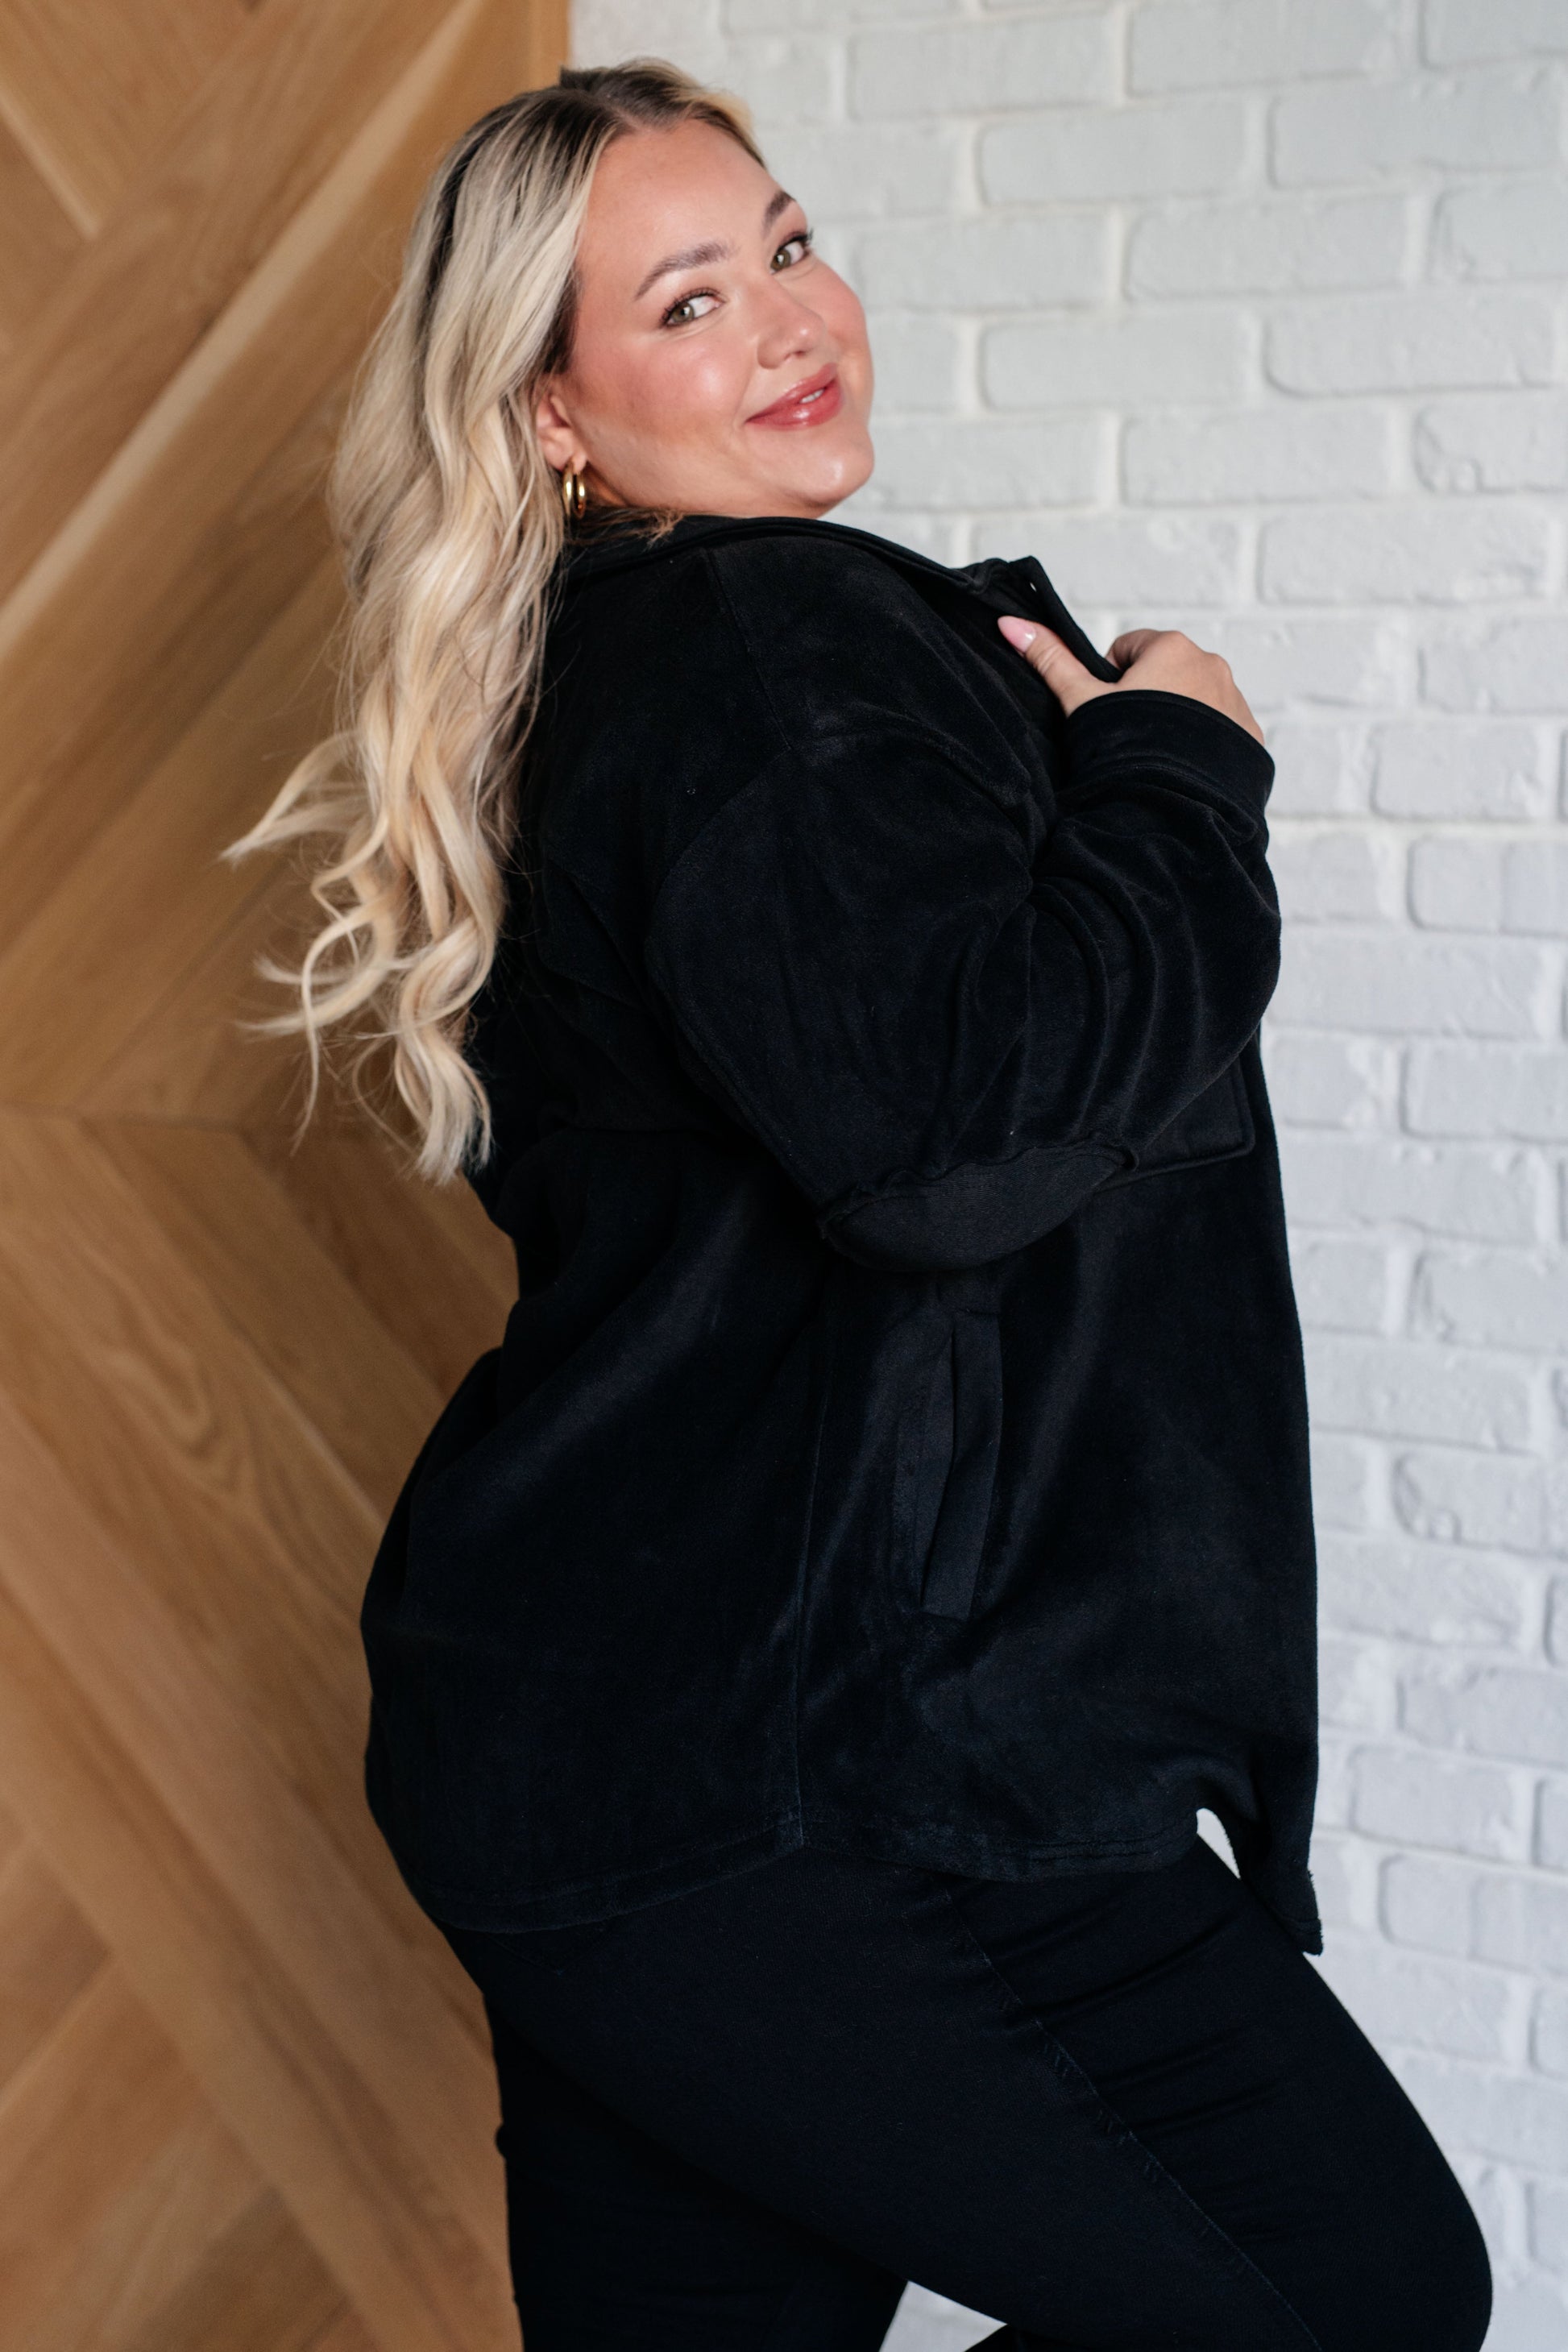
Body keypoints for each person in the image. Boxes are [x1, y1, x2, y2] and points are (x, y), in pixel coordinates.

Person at [230, 58, 1493, 2352]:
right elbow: (950, 1147)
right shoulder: (759, 643)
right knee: (1352, 2296)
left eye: (787, 245)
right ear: (553, 422)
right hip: (834, 1770)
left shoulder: (599, 676)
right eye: (689, 303)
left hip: (598, 1754)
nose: (792, 320)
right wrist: (1180, 769)